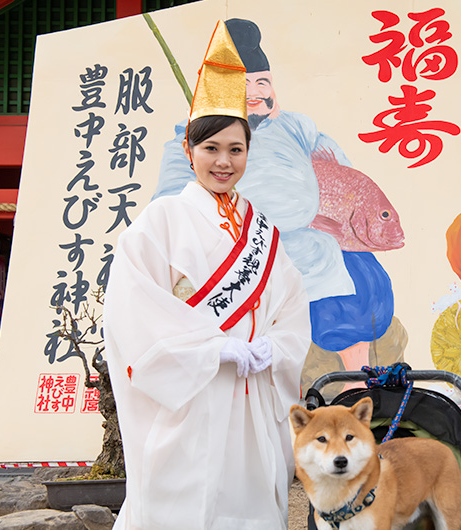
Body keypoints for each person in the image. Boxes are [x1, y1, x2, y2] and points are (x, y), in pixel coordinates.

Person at [104, 21, 310, 529]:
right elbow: (134, 312)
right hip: (189, 400)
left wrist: (272, 347)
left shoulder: (262, 229)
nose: (224, 161)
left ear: (248, 153)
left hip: (252, 396)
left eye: (235, 150)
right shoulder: (162, 220)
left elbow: (290, 305)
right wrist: (208, 348)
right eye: (211, 148)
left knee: (252, 506)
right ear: (188, 152)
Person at [153, 17, 355, 303]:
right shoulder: (188, 147)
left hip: (320, 266)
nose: (256, 92)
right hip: (241, 276)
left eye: (263, 82)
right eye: (243, 84)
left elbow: (346, 176)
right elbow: (168, 214)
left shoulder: (296, 127)